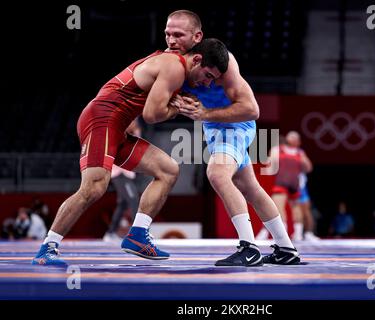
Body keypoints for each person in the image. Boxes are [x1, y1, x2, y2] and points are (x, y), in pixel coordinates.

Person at [31, 38, 230, 265]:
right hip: (103, 119)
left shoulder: (176, 67)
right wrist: (176, 107)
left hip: (117, 127)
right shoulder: (174, 66)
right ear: (196, 59)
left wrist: (179, 102)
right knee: (94, 187)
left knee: (168, 169)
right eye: (208, 76)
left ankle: (137, 235)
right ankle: (48, 247)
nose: (206, 83)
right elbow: (151, 116)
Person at [167, 10, 301, 266]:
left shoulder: (222, 61)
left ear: (196, 36)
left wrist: (205, 112)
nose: (171, 40)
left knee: (217, 174)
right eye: (168, 34)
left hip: (236, 125)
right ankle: (286, 249)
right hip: (212, 127)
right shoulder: (169, 62)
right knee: (251, 188)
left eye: (178, 35)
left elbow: (252, 109)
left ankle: (249, 248)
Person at [256, 131, 312, 241]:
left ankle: (296, 234)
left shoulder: (300, 153)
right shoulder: (278, 150)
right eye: (291, 137)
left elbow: (308, 168)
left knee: (292, 209)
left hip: (291, 184)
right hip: (284, 183)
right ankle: (289, 234)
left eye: (295, 138)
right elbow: (270, 167)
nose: (293, 139)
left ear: (299, 142)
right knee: (280, 207)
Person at [103, 119, 141, 242]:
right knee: (133, 199)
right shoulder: (119, 134)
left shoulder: (134, 134)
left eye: (136, 121)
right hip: (120, 174)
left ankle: (110, 233)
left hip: (127, 174)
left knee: (122, 204)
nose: (134, 123)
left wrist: (136, 132)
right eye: (132, 121)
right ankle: (139, 232)